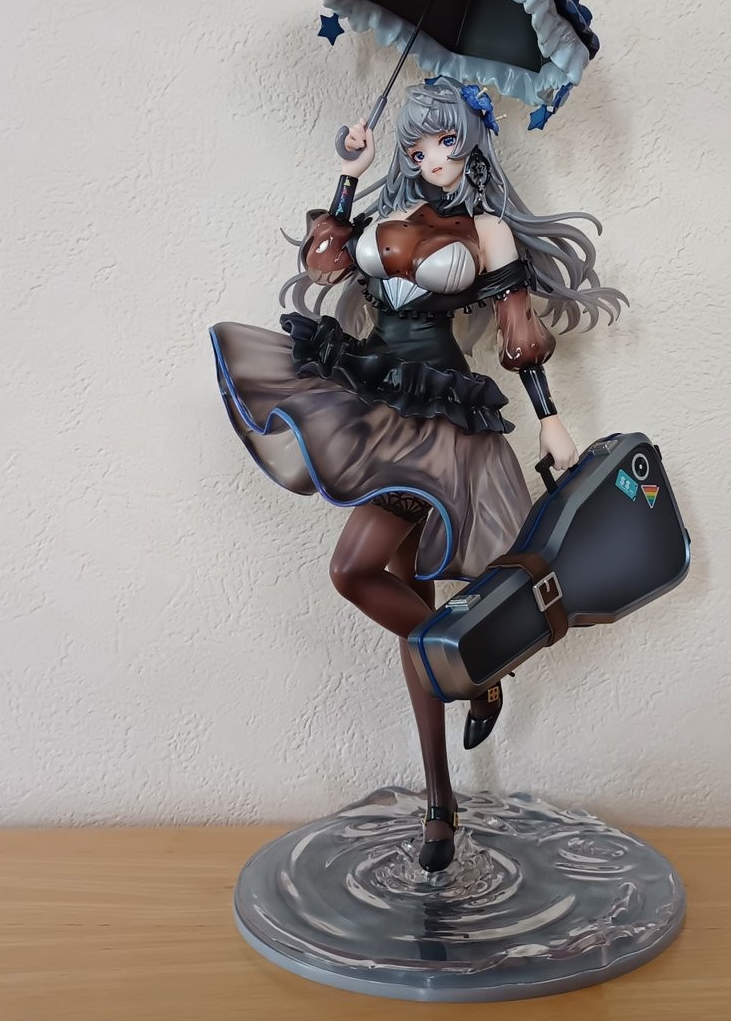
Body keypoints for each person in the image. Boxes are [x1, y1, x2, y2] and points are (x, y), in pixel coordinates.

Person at [210, 77, 625, 872]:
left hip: (437, 416)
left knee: (353, 570)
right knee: (409, 610)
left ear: (471, 147)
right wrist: (349, 171)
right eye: (419, 143)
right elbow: (326, 264)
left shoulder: (486, 228)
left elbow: (516, 329)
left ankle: (472, 671)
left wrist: (550, 419)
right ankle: (442, 799)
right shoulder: (388, 213)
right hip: (371, 392)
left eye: (446, 143)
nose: (431, 156)